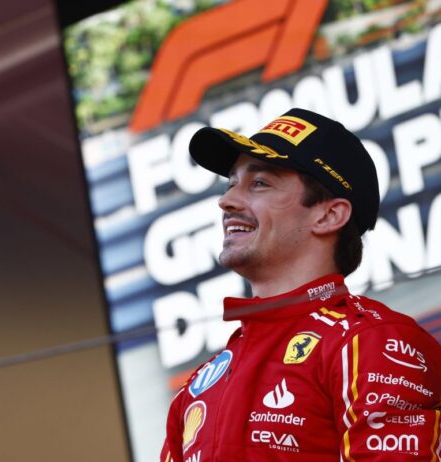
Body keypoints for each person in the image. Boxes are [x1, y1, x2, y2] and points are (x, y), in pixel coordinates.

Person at [160, 108, 441, 462]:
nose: (226, 201)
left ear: (328, 215)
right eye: (231, 183)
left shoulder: (370, 343)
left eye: (259, 183)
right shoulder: (200, 386)